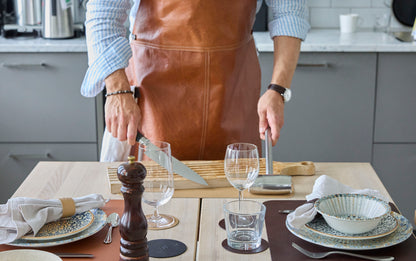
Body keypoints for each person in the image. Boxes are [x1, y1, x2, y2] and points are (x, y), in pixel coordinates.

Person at [81, 0, 310, 161]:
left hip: (232, 92)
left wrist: (278, 89)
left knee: (235, 206)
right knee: (151, 207)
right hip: (154, 98)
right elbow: (103, 16)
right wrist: (117, 91)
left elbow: (290, 12)